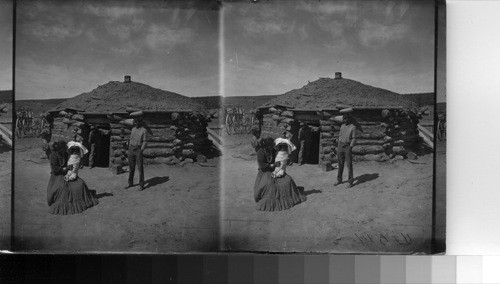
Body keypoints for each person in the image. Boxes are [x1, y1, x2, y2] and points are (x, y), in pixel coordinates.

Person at [254, 137, 306, 211]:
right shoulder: (261, 152)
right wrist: (273, 165)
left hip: (275, 170)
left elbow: (280, 157)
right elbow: (262, 166)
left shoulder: (273, 150)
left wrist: (285, 160)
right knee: (269, 184)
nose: (273, 147)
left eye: (273, 146)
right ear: (266, 146)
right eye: (271, 146)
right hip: (265, 171)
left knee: (289, 180)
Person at [46, 140, 98, 215]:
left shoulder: (65, 154)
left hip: (68, 173)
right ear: (60, 149)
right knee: (63, 188)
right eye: (64, 149)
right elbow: (55, 170)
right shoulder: (54, 156)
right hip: (58, 175)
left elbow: (73, 158)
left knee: (81, 183)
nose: (66, 150)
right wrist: (66, 168)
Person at [334, 112, 357, 188]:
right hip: (340, 146)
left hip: (347, 147)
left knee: (349, 165)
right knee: (340, 164)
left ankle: (350, 182)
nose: (344, 120)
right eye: (344, 119)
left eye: (346, 118)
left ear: (349, 119)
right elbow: (340, 135)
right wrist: (338, 143)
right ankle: (339, 179)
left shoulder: (353, 127)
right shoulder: (342, 126)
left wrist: (350, 146)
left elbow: (354, 138)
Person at [126, 117, 147, 191]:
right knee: (131, 167)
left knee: (140, 168)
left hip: (138, 150)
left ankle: (141, 185)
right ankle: (130, 183)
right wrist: (129, 148)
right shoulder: (133, 129)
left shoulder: (144, 130)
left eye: (137, 122)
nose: (136, 124)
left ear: (140, 122)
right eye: (135, 122)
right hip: (131, 149)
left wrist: (141, 150)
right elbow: (130, 139)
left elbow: (145, 141)